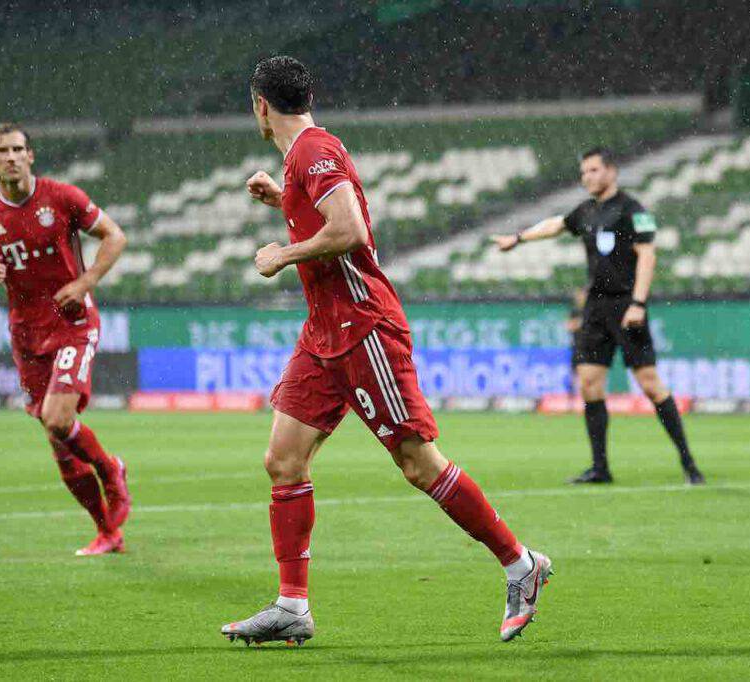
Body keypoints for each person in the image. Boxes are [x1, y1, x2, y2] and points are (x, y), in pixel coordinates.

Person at [220, 56, 552, 646]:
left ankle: (521, 565)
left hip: (363, 329)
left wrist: (281, 253)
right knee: (283, 459)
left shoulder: (313, 151)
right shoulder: (302, 160)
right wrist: (284, 202)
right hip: (323, 332)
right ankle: (292, 606)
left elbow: (349, 231)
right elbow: (330, 217)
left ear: (260, 106)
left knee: (418, 463)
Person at [0, 123, 133, 555]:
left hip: (73, 322)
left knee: (58, 419)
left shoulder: (62, 197)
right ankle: (107, 531)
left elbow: (115, 235)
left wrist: (87, 281)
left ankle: (111, 469)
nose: (11, 157)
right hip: (26, 335)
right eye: (2, 150)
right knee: (59, 445)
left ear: (31, 155)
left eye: (18, 149)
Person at [491, 147, 705, 486]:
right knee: (589, 381)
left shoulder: (633, 210)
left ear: (611, 171)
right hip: (596, 306)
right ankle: (600, 468)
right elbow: (557, 225)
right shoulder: (587, 211)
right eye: (583, 172)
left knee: (650, 384)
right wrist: (518, 239)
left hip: (626, 305)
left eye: (592, 170)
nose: (586, 177)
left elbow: (647, 256)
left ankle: (689, 463)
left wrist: (638, 302)